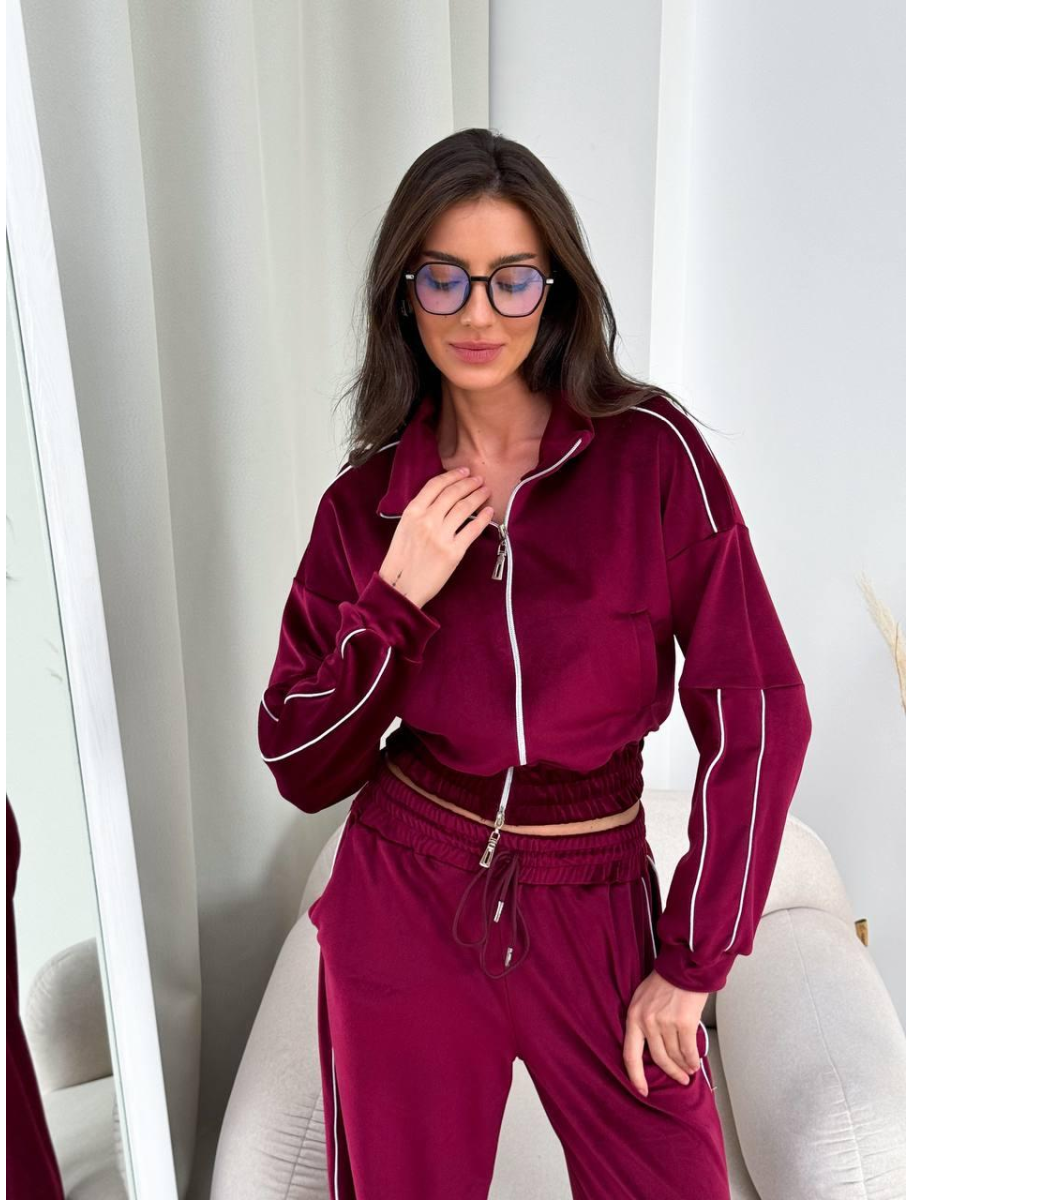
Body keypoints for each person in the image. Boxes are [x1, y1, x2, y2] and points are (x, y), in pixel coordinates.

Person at [257, 128, 811, 1200]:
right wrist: (396, 597)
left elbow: (758, 708)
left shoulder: (652, 456)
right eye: (445, 278)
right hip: (406, 898)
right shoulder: (367, 506)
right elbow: (299, 760)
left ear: (555, 291)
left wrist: (691, 963)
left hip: (592, 896)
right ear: (404, 293)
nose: (478, 314)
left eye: (511, 279)